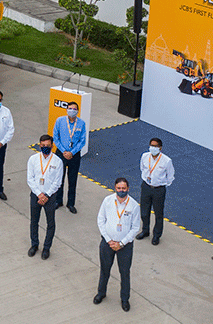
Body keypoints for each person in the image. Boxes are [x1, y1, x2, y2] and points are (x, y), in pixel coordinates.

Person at [94, 177, 142, 312]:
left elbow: (135, 228)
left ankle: (125, 299)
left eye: (124, 188)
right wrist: (109, 240)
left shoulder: (134, 206)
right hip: (107, 243)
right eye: (119, 188)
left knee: (125, 273)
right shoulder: (107, 201)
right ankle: (101, 293)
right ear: (115, 188)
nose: (121, 191)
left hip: (125, 246)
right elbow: (101, 220)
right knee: (104, 270)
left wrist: (121, 243)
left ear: (128, 189)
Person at [27, 134, 63, 259]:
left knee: (50, 223)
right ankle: (34, 244)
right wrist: (39, 194)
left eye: (48, 145)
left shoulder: (57, 162)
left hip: (50, 197)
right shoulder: (33, 159)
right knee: (34, 221)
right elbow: (30, 179)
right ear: (40, 145)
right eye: (43, 145)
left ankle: (47, 248)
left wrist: (46, 195)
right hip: (35, 195)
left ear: (52, 146)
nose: (45, 147)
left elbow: (57, 182)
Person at [137, 137, 175, 245]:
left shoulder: (166, 161)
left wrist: (161, 184)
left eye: (155, 146)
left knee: (158, 213)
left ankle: (156, 235)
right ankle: (145, 231)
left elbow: (170, 176)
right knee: (144, 211)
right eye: (151, 146)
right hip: (146, 187)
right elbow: (142, 168)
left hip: (158, 189)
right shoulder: (145, 156)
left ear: (160, 148)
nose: (153, 148)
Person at [53, 102, 86, 213]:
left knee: (72, 180)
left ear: (77, 111)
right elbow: (56, 137)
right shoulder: (60, 121)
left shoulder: (81, 123)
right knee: (59, 178)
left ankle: (71, 203)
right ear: (67, 109)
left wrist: (72, 152)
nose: (72, 110)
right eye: (70, 108)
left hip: (74, 155)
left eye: (74, 109)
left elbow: (82, 141)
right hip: (61, 153)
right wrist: (64, 151)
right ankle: (58, 201)